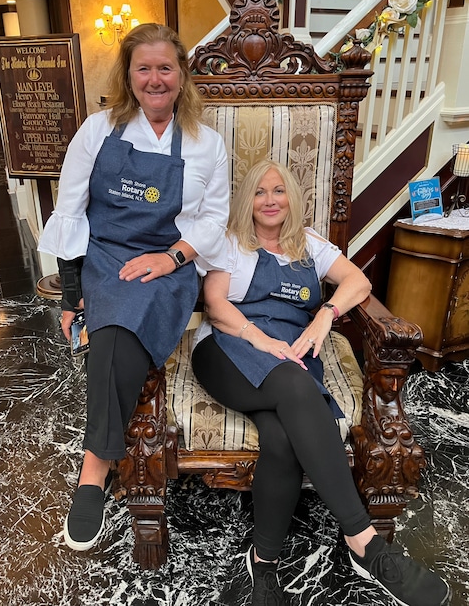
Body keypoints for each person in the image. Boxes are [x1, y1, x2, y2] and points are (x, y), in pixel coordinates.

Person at [191, 161, 449, 606]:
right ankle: (364, 542)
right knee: (296, 387)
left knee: (280, 439)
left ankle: (263, 563)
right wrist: (260, 338)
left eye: (278, 190)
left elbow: (357, 281)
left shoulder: (309, 243)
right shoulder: (230, 242)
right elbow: (215, 305)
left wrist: (326, 315)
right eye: (259, 192)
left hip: (291, 353)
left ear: (291, 197)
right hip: (228, 346)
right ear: (247, 200)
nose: (270, 200)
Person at [38, 23, 230, 551]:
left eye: (165, 67)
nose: (154, 79)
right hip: (106, 255)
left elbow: (213, 220)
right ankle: (96, 468)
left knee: (121, 322)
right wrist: (73, 293)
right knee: (113, 325)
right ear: (128, 76)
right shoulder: (97, 130)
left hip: (170, 261)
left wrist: (171, 258)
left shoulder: (206, 144)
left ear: (182, 74)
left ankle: (93, 468)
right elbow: (71, 210)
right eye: (143, 68)